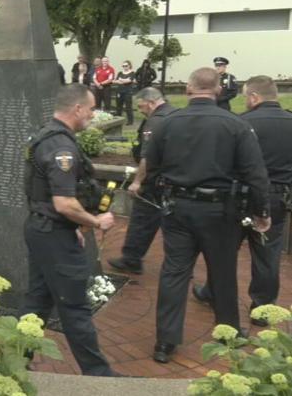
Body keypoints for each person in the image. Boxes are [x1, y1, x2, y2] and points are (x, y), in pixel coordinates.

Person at [146, 67, 270, 364]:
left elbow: (151, 168)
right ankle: (227, 332)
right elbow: (255, 173)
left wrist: (161, 198)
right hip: (221, 211)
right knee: (223, 272)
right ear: (217, 89)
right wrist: (261, 211)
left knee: (174, 273)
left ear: (189, 88)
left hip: (177, 208)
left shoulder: (166, 123)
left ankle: (165, 341)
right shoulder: (235, 125)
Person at [21, 83, 118, 377]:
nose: (92, 115)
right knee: (75, 306)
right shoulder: (62, 146)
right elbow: (64, 202)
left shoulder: (47, 134)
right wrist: (95, 221)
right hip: (53, 234)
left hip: (44, 228)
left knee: (37, 301)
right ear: (77, 109)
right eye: (90, 109)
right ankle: (100, 377)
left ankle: (14, 359)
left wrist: (73, 224)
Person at [191, 76, 292, 327]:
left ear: (254, 97)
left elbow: (224, 162)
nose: (245, 101)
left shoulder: (240, 123)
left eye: (247, 96)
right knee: (268, 254)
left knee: (223, 251)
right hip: (277, 196)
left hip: (240, 196)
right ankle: (263, 308)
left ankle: (214, 292)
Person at [107, 87, 175, 274]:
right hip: (175, 179)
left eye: (141, 106)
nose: (140, 110)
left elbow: (147, 157)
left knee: (142, 219)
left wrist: (137, 181)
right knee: (174, 225)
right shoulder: (177, 114)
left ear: (151, 102)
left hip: (154, 181)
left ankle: (131, 259)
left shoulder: (155, 122)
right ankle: (178, 263)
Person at [113, 61, 136, 125]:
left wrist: (121, 80)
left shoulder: (132, 73)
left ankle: (130, 121)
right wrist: (123, 80)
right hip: (119, 91)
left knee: (128, 107)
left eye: (126, 66)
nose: (124, 67)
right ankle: (118, 120)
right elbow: (115, 81)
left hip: (127, 92)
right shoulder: (120, 73)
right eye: (123, 66)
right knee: (118, 106)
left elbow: (129, 81)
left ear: (129, 66)